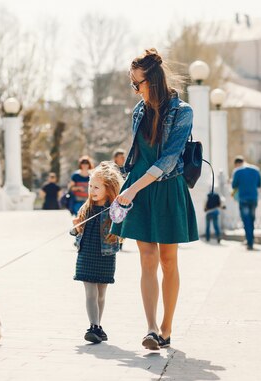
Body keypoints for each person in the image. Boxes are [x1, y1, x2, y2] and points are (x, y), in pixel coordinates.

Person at [112, 48, 198, 350]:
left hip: (166, 187)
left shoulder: (182, 111)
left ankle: (166, 328)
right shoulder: (138, 111)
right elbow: (138, 155)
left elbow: (169, 159)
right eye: (132, 84)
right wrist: (126, 186)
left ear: (154, 81)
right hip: (139, 187)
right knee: (146, 259)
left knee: (168, 259)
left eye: (138, 84)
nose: (135, 90)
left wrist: (132, 189)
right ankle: (150, 329)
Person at [71, 162, 123, 344]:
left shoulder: (114, 210)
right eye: (90, 186)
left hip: (106, 256)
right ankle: (93, 326)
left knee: (101, 294)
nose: (91, 190)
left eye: (96, 187)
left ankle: (98, 326)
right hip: (86, 253)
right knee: (91, 293)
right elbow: (78, 232)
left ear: (108, 189)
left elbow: (122, 226)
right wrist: (76, 226)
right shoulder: (86, 208)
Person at [231, 156, 261, 250]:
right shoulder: (256, 170)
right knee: (252, 219)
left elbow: (234, 185)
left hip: (243, 199)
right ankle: (251, 238)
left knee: (246, 220)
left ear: (236, 164)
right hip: (253, 198)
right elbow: (259, 184)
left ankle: (249, 242)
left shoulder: (237, 171)